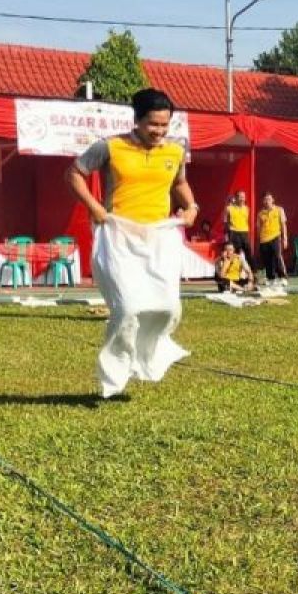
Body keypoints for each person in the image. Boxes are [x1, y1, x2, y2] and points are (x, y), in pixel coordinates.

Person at [66, 88, 198, 399]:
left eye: (165, 125)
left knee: (168, 308)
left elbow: (179, 183)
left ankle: (146, 359)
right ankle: (115, 371)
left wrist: (192, 207)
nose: (160, 131)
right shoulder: (110, 147)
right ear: (137, 120)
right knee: (127, 308)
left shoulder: (176, 151)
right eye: (153, 124)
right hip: (118, 234)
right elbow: (73, 173)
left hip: (160, 236)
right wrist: (94, 206)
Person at [256, 192, 288, 287]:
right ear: (263, 201)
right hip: (264, 239)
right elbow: (258, 228)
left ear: (273, 200)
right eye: (265, 200)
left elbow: (283, 225)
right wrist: (259, 240)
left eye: (269, 199)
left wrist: (284, 238)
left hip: (275, 237)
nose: (267, 201)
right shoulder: (260, 213)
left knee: (277, 256)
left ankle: (282, 277)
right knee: (267, 260)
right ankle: (271, 278)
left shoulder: (279, 210)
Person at [224, 190, 252, 266]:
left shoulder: (247, 209)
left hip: (244, 232)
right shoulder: (229, 208)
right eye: (240, 197)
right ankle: (233, 272)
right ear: (236, 197)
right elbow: (225, 222)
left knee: (248, 252)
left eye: (243, 197)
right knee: (234, 253)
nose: (242, 199)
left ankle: (252, 271)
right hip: (233, 232)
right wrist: (226, 235)